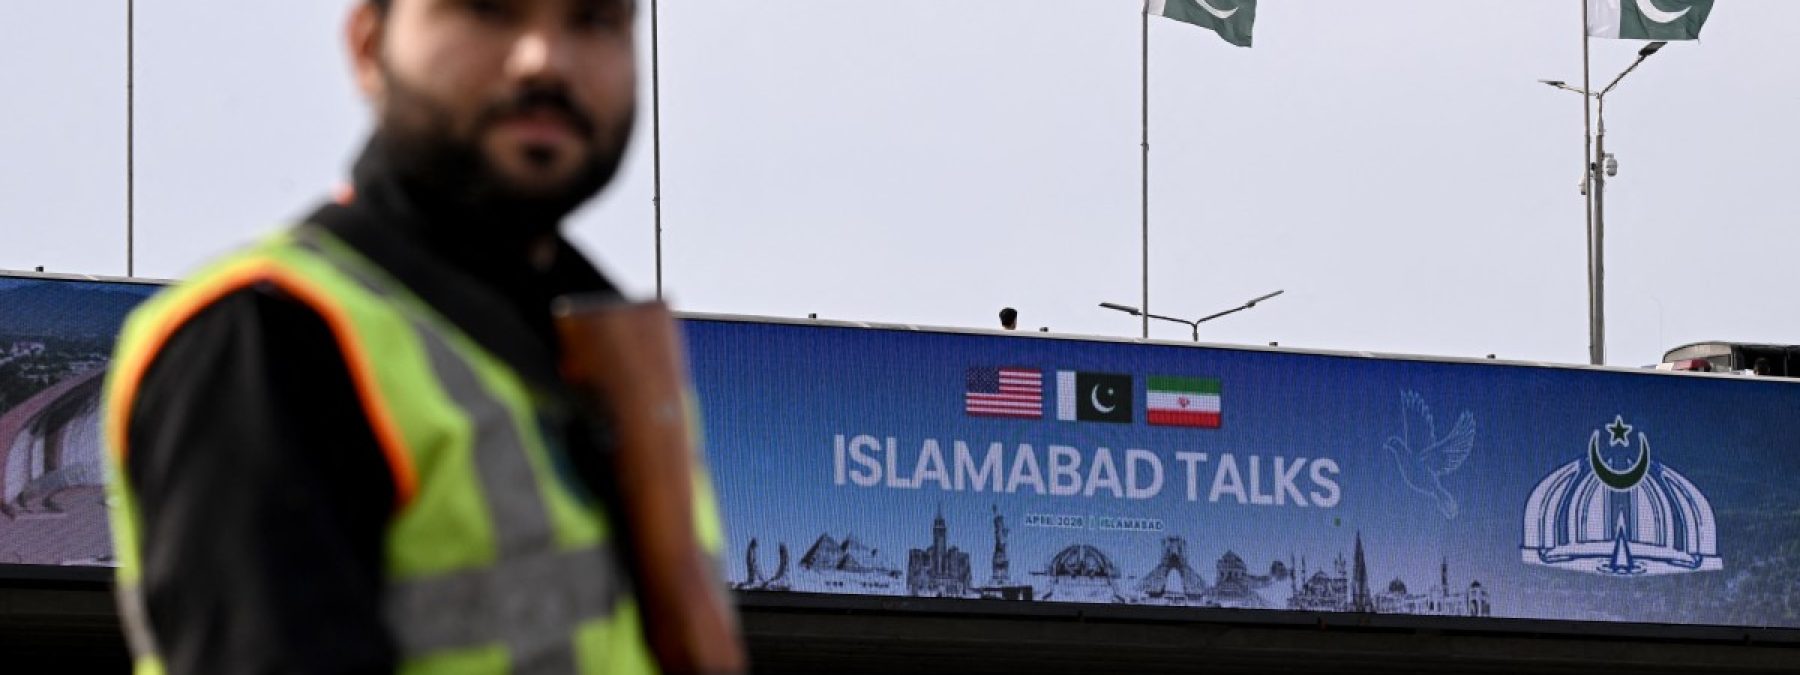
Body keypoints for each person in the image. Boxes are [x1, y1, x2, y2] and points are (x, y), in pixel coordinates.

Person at [102, 1, 724, 673]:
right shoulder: (268, 335)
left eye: (595, 20)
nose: (545, 58)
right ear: (370, 46)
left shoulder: (601, 352)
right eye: (489, 12)